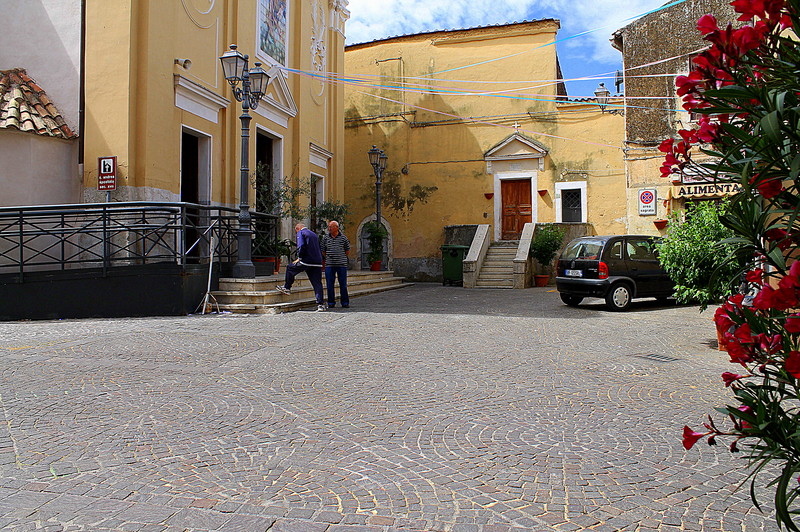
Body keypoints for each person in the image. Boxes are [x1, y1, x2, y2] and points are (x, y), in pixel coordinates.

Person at [276, 223, 326, 312]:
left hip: (306, 260)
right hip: (317, 262)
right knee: (317, 283)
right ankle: (320, 304)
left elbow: (301, 246)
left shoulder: (301, 233)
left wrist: (299, 258)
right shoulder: (313, 234)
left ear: (297, 229)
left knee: (290, 268)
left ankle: (287, 287)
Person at [321, 220, 350, 308]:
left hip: (341, 265)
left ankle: (345, 302)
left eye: (331, 227)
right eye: (329, 227)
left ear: (336, 228)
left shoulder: (343, 238)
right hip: (329, 265)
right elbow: (323, 250)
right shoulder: (325, 238)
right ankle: (331, 303)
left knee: (343, 285)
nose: (329, 229)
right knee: (329, 284)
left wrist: (340, 257)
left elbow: (347, 250)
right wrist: (330, 257)